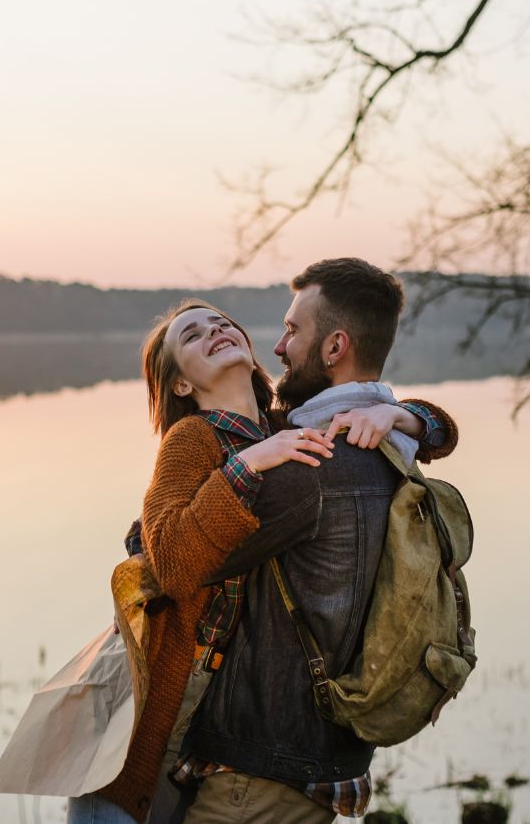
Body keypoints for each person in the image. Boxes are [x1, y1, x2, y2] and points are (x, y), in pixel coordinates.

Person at [68, 297, 455, 824]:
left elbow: (443, 432)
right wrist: (246, 467)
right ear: (181, 384)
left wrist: (400, 414)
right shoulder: (192, 439)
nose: (215, 331)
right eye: (192, 336)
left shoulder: (283, 426)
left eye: (222, 323)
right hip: (172, 696)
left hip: (229, 709)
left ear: (250, 351)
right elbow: (172, 561)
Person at [174, 259, 452, 824]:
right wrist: (409, 416)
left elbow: (174, 565)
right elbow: (441, 427)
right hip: (328, 760)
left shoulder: (310, 463)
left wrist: (237, 469)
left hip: (260, 776)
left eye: (293, 331)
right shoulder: (390, 445)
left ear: (334, 348)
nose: (277, 347)